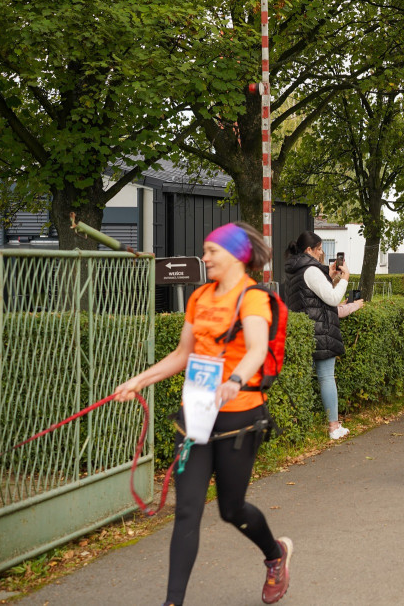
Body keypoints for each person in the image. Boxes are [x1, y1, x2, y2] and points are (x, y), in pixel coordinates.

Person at [113, 222, 293, 606]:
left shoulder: (253, 298)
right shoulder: (200, 297)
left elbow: (257, 349)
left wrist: (237, 380)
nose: (206, 257)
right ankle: (172, 602)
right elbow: (182, 355)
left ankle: (275, 555)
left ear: (235, 255)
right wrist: (138, 381)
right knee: (188, 511)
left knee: (231, 509)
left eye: (212, 251)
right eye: (205, 250)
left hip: (239, 419)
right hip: (196, 416)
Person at [284, 232, 364, 440]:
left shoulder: (296, 270)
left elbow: (310, 296)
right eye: (319, 249)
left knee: (307, 378)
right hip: (320, 330)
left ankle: (300, 426)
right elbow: (332, 298)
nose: (322, 253)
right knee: (327, 377)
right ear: (309, 250)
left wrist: (328, 277)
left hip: (306, 329)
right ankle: (334, 427)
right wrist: (345, 279)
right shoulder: (310, 269)